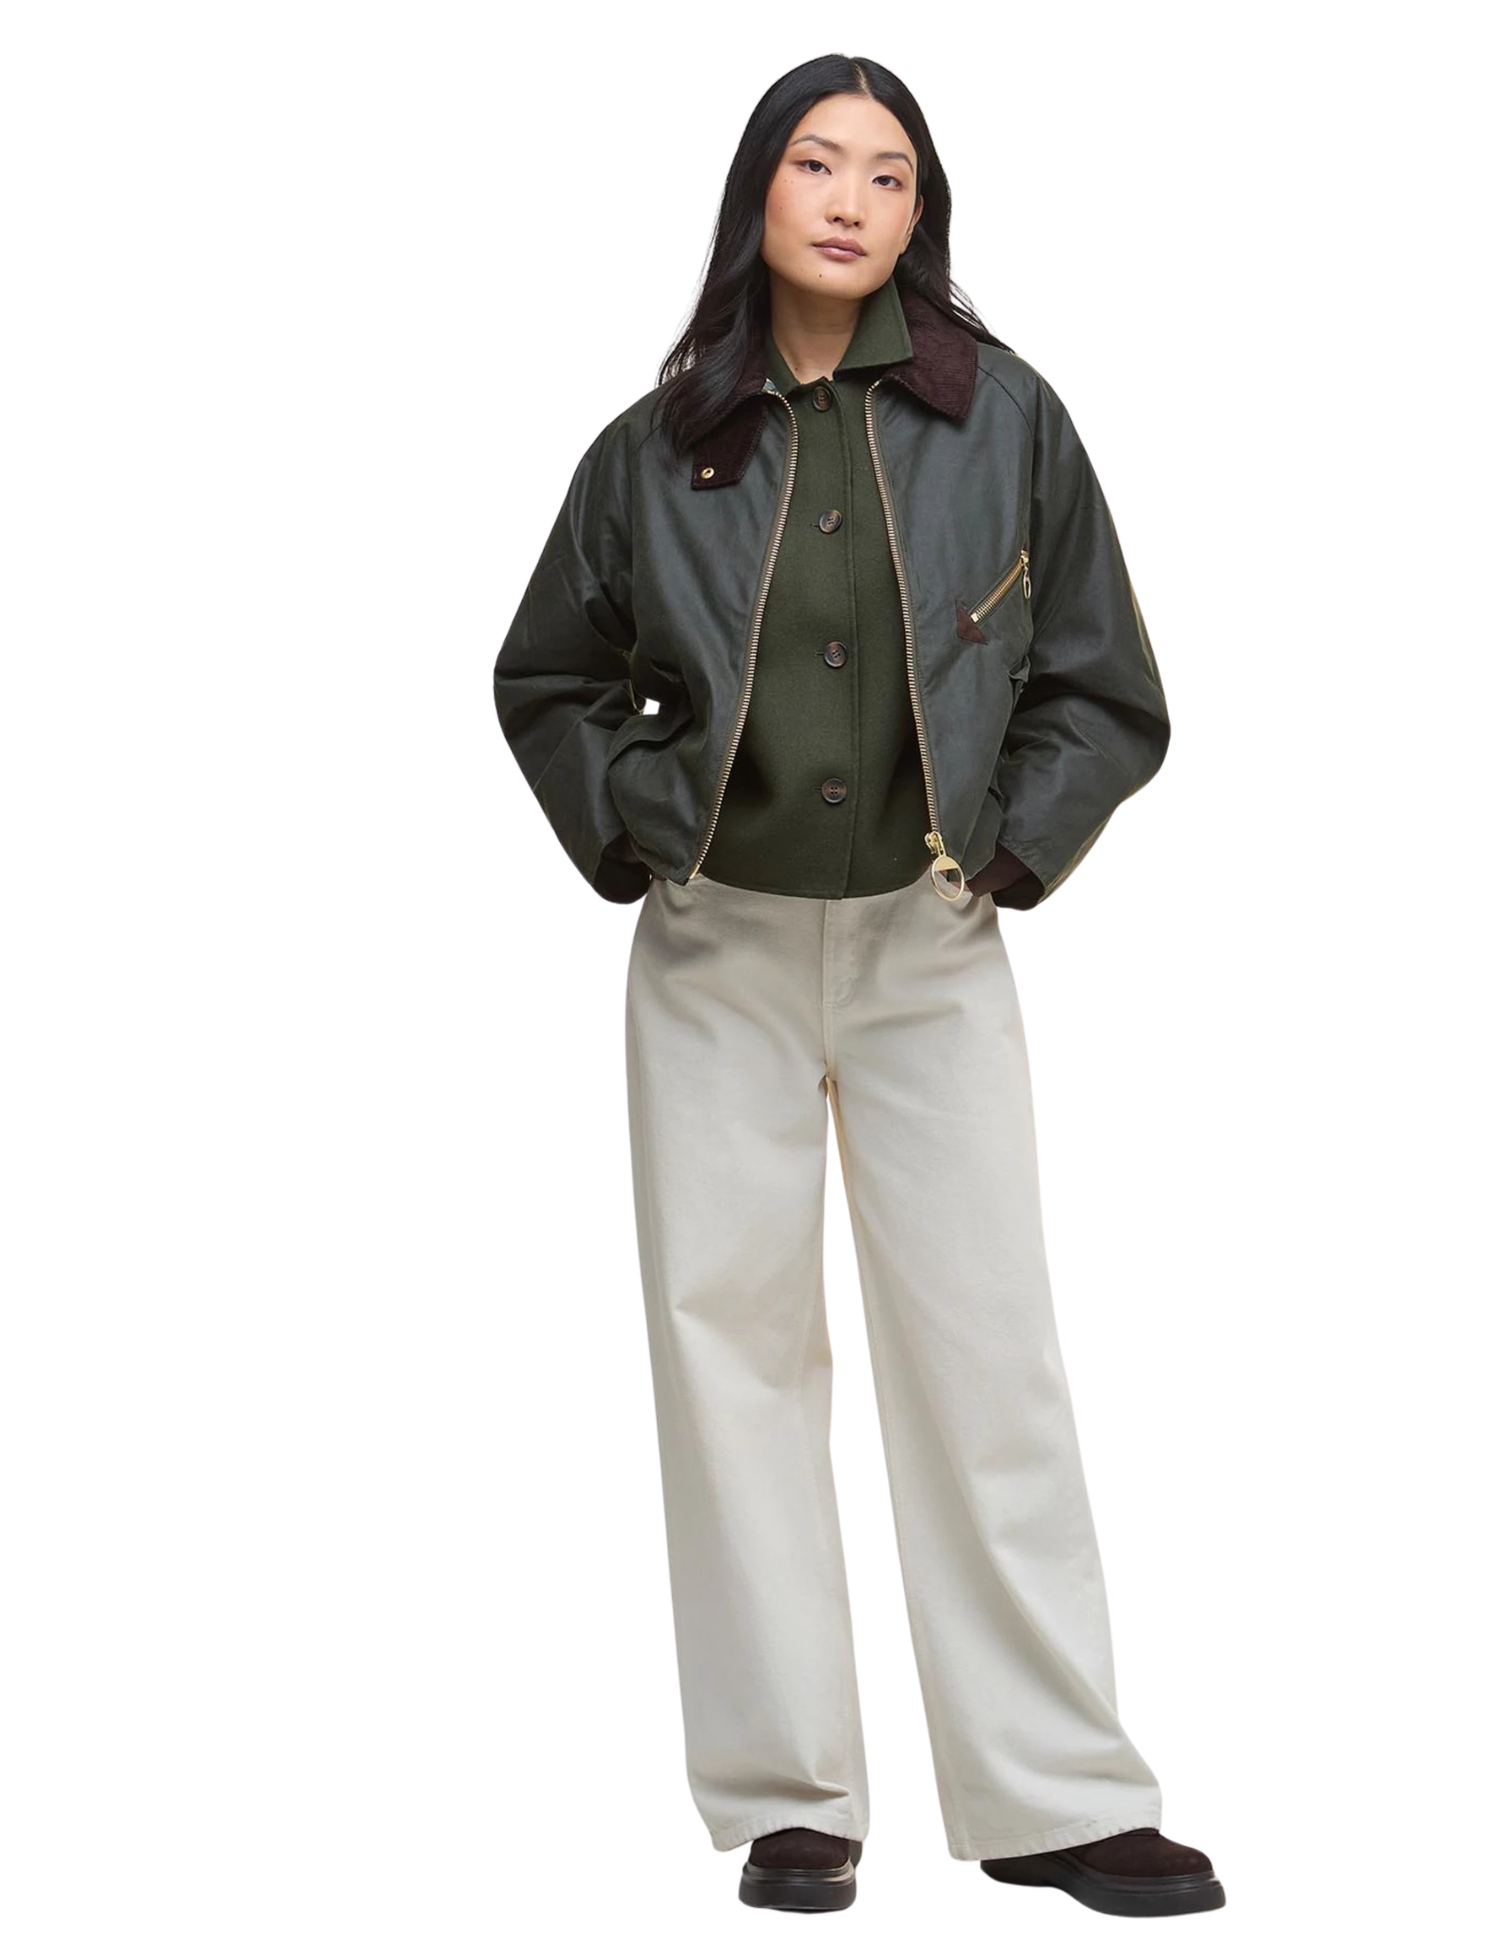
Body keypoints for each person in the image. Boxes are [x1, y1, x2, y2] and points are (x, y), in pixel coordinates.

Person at [492, 53, 1225, 1920]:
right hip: (713, 957)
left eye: (887, 174)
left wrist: (1013, 846)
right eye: (816, 163)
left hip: (927, 943)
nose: (848, 199)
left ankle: (1055, 1792)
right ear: (758, 189)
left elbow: (1102, 680)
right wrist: (642, 817)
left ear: (921, 211)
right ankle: (789, 1794)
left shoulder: (1006, 419)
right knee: (728, 1359)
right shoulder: (654, 446)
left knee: (988, 1354)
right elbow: (545, 675)